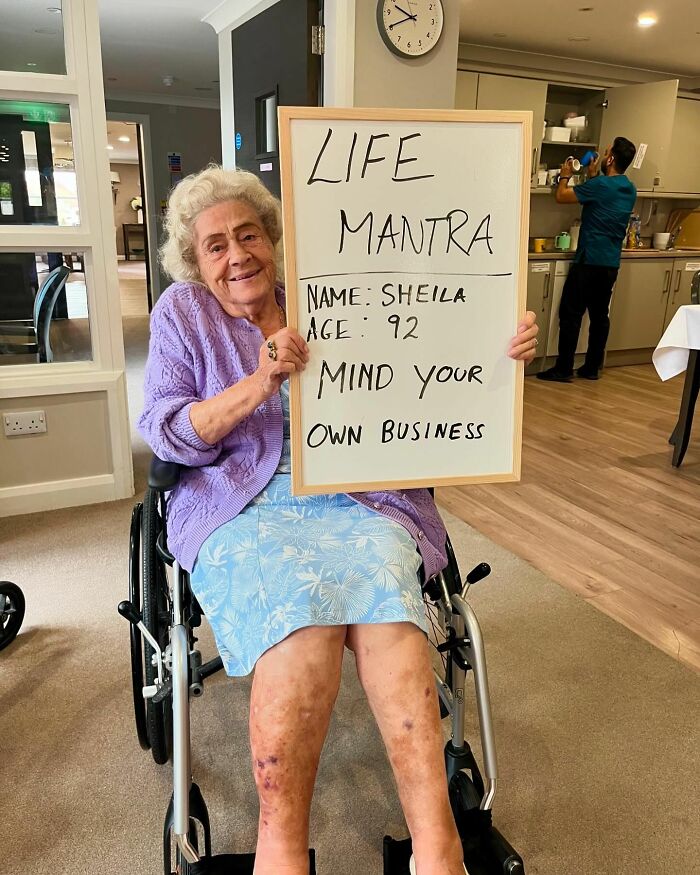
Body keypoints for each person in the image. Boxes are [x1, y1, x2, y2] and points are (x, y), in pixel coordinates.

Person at [139, 165, 539, 875]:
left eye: (249, 235)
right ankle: (280, 848)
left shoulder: (333, 293)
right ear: (195, 260)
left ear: (272, 237)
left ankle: (438, 846)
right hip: (242, 500)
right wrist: (259, 380)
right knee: (300, 617)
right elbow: (166, 428)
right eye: (216, 246)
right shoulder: (183, 313)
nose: (237, 256)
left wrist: (499, 353)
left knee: (390, 604)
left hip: (360, 493)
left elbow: (427, 365)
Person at [537, 136, 637, 383]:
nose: (603, 156)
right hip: (610, 264)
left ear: (611, 158)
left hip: (589, 260)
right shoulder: (629, 188)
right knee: (599, 316)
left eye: (606, 152)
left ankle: (563, 368)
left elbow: (562, 196)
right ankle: (592, 367)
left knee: (571, 314)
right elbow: (601, 196)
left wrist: (564, 174)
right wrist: (594, 175)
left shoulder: (601, 185)